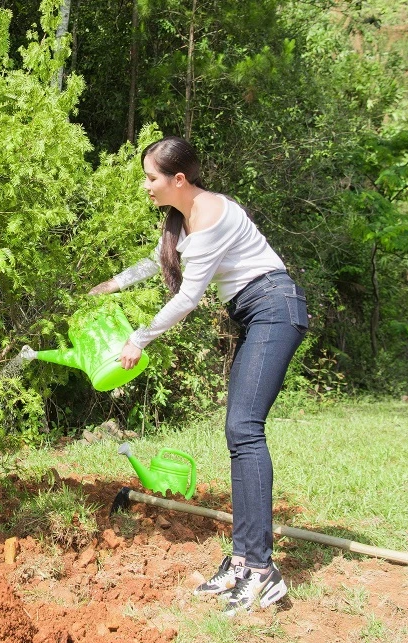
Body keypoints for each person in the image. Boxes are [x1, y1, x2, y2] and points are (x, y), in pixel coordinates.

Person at [89, 136, 308, 615]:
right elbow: (158, 261)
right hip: (256, 313)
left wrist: (138, 339)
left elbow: (188, 298)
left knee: (244, 430)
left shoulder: (211, 216)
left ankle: (262, 571)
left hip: (274, 307)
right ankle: (244, 559)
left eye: (152, 177)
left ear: (179, 179)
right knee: (240, 431)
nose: (147, 186)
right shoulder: (185, 218)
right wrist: (115, 283)